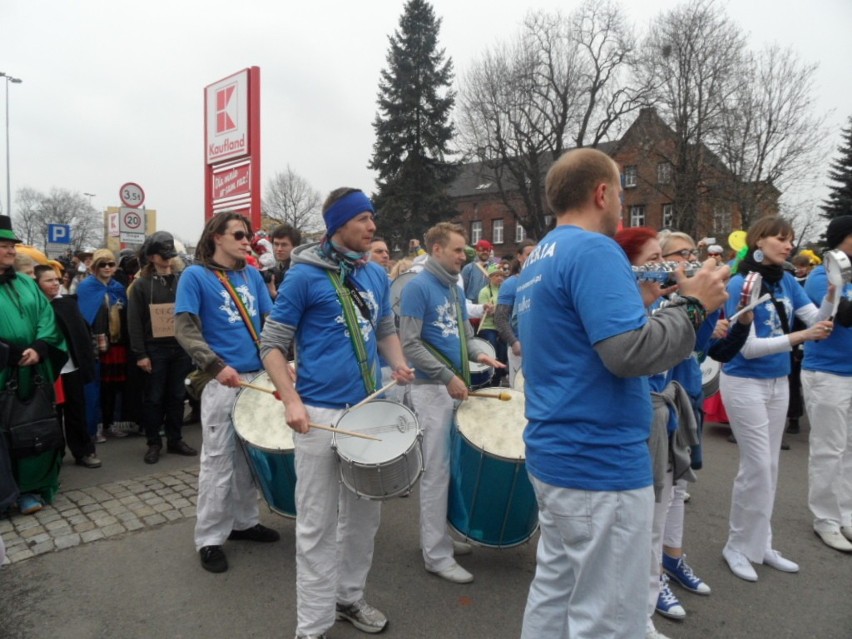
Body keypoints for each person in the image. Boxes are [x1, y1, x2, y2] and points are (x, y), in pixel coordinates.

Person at [515, 148, 729, 639]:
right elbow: (628, 352)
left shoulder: (540, 257)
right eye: (622, 192)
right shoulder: (593, 249)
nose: (622, 204)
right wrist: (693, 306)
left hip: (558, 455)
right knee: (611, 621)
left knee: (555, 595)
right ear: (602, 193)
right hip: (599, 464)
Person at [260, 187, 414, 639]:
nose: (372, 227)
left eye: (373, 219)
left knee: (364, 520)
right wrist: (291, 399)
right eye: (364, 219)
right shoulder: (304, 276)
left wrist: (398, 360)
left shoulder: (376, 275)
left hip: (368, 412)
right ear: (340, 225)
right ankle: (311, 626)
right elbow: (271, 345)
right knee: (317, 526)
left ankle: (348, 597)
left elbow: (384, 327)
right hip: (319, 416)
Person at [720, 216, 835, 582]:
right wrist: (801, 338)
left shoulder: (785, 279)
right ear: (759, 241)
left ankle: (761, 543)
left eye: (790, 240)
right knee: (757, 467)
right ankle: (736, 546)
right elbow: (749, 348)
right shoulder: (742, 282)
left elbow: (816, 317)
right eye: (780, 239)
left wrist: (833, 291)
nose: (789, 246)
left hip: (777, 381)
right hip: (744, 382)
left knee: (770, 466)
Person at [399, 222, 505, 585]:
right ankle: (435, 555)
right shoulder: (417, 289)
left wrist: (481, 354)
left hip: (453, 387)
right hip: (431, 391)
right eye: (459, 250)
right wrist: (447, 377)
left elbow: (463, 336)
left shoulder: (454, 290)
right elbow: (409, 345)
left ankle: (440, 537)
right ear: (438, 250)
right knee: (436, 473)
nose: (465, 256)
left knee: (450, 469)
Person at [175, 212, 279, 574]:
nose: (246, 240)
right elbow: (185, 330)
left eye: (248, 234)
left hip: (257, 378)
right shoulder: (195, 276)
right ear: (217, 237)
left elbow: (271, 323)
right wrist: (216, 366)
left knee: (250, 457)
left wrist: (282, 361)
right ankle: (209, 538)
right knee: (218, 461)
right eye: (238, 234)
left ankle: (244, 522)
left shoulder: (251, 274)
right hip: (223, 380)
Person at [0, 216, 67, 514]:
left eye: (11, 245)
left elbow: (46, 317)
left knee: (34, 425)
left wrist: (40, 347)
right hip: (3, 372)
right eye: (3, 245)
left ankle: (33, 487)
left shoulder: (27, 283)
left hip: (33, 371)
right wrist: (9, 352)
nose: (11, 250)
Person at [802, 215, 852, 552]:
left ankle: (845, 514)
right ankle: (825, 519)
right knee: (828, 449)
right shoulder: (823, 276)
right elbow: (843, 315)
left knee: (848, 450)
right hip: (828, 374)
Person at [128, 231, 197, 465]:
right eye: (162, 255)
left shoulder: (182, 280)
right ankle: (154, 442)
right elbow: (134, 321)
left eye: (169, 255)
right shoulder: (140, 286)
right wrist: (140, 354)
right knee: (154, 397)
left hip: (180, 347)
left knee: (178, 396)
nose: (167, 259)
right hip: (154, 348)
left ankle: (175, 439)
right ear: (151, 257)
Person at [34, 265, 101, 469]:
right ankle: (54, 456)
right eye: (48, 280)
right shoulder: (34, 308)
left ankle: (84, 451)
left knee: (76, 412)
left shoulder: (67, 304)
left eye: (57, 279)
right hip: (48, 371)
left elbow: (80, 334)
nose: (55, 283)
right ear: (37, 284)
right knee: (52, 416)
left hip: (70, 369)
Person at [76, 249, 133, 441]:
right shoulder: (87, 287)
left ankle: (111, 424)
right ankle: (95, 426)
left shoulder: (118, 287)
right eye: (103, 264)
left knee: (114, 387)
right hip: (95, 345)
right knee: (96, 387)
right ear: (94, 267)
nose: (107, 268)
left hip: (117, 345)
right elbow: (84, 317)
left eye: (111, 264)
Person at [494, 240, 536, 388]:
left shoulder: (540, 279)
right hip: (520, 349)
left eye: (536, 254)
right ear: (519, 257)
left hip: (539, 348)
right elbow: (500, 318)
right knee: (519, 393)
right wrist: (514, 342)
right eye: (529, 254)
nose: (533, 257)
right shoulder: (510, 284)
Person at [477, 263, 508, 386]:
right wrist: (499, 309)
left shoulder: (504, 290)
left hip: (502, 327)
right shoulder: (484, 292)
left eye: (501, 276)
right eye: (496, 276)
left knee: (503, 355)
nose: (500, 278)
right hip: (488, 327)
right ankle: (486, 380)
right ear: (490, 277)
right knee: (492, 353)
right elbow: (485, 311)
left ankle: (497, 381)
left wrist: (497, 309)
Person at [265, 223, 302, 299]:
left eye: (284, 245)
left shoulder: (298, 271)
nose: (279, 249)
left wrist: (274, 294)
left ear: (295, 247)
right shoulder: (281, 267)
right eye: (276, 244)